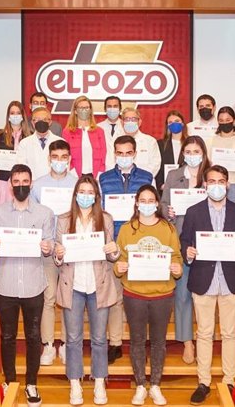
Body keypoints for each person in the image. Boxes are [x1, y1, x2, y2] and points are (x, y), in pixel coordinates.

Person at [181, 165, 235, 405]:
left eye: (221, 181)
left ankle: (229, 380)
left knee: (229, 333)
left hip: (231, 279)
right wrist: (189, 251)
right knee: (204, 333)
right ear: (205, 185)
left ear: (227, 184)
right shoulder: (193, 211)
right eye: (212, 181)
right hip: (203, 279)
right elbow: (184, 240)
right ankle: (203, 382)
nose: (216, 185)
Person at [0, 164, 55, 407]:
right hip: (5, 284)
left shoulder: (45, 213)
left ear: (31, 183)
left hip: (34, 284)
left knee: (34, 336)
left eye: (26, 181)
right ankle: (11, 381)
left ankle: (32, 383)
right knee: (7, 335)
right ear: (11, 184)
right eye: (17, 181)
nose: (22, 185)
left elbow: (52, 243)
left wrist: (49, 247)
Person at [53, 175, 120, 406]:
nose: (85, 196)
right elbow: (57, 256)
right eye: (81, 191)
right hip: (73, 286)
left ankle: (100, 381)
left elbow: (112, 255)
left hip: (97, 285)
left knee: (100, 339)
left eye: (90, 192)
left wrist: (114, 250)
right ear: (75, 194)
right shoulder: (63, 220)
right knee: (72, 339)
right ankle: (75, 382)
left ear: (96, 196)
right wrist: (58, 254)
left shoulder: (106, 219)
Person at [115, 185, 183, 406]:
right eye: (142, 200)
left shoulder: (168, 229)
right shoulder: (127, 229)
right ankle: (140, 385)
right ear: (136, 203)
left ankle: (155, 384)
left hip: (162, 294)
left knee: (158, 342)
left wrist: (177, 269)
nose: (146, 204)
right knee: (136, 341)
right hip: (134, 294)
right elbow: (118, 260)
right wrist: (120, 267)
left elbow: (177, 258)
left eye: (150, 200)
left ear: (157, 203)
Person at [98, 135, 154, 363]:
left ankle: (141, 340)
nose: (124, 157)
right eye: (119, 153)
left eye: (128, 153)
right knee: (115, 296)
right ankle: (116, 342)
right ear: (114, 154)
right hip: (113, 240)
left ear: (135, 153)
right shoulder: (103, 178)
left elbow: (150, 206)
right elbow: (100, 209)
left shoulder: (147, 177)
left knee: (139, 294)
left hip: (139, 238)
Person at [160, 135, 211, 365]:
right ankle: (187, 342)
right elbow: (161, 203)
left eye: (196, 151)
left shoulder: (211, 175)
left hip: (208, 242)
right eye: (188, 151)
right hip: (180, 239)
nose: (192, 155)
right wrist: (167, 210)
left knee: (205, 294)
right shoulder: (173, 175)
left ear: (203, 152)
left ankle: (205, 338)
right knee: (181, 295)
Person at [31, 140, 78, 366]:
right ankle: (48, 345)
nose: (60, 161)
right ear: (49, 158)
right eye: (56, 157)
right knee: (48, 298)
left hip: (71, 248)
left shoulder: (77, 184)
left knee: (69, 299)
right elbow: (32, 217)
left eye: (64, 157)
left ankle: (67, 344)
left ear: (69, 159)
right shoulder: (38, 185)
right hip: (47, 249)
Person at [205, 106, 235, 207]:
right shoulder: (209, 142)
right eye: (221, 120)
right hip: (214, 186)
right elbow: (204, 168)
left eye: (228, 120)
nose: (225, 123)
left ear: (234, 121)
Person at [0, 100, 31, 207]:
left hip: (23, 182)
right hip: (4, 183)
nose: (15, 116)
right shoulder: (0, 136)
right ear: (8, 116)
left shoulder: (30, 136)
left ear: (23, 115)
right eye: (12, 113)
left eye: (18, 113)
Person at [62, 95, 107, 178]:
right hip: (74, 175)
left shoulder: (99, 131)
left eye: (87, 108)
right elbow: (65, 155)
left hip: (95, 176)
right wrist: (73, 174)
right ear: (75, 111)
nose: (84, 110)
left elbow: (103, 155)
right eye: (81, 108)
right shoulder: (67, 132)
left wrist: (99, 175)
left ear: (90, 110)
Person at [16, 107, 65, 181]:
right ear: (32, 123)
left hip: (54, 185)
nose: (41, 122)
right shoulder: (24, 143)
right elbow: (21, 167)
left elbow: (65, 167)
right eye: (37, 120)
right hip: (32, 186)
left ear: (50, 122)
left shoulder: (61, 142)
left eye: (45, 119)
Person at [121, 107, 162, 177]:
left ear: (139, 122)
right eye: (127, 119)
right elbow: (111, 163)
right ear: (122, 122)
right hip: (122, 183)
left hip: (145, 183)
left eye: (134, 119)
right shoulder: (115, 141)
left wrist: (140, 178)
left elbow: (155, 164)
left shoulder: (150, 141)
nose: (130, 122)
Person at [155, 110, 187, 190]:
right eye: (170, 122)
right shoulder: (160, 144)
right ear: (167, 126)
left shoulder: (190, 143)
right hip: (165, 187)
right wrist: (161, 185)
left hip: (186, 187)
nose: (174, 124)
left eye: (177, 121)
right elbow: (157, 166)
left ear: (182, 123)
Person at [97, 95, 125, 170]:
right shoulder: (97, 128)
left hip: (123, 169)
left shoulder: (126, 127)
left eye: (115, 106)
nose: (112, 109)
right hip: (103, 170)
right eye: (109, 106)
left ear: (120, 109)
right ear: (105, 109)